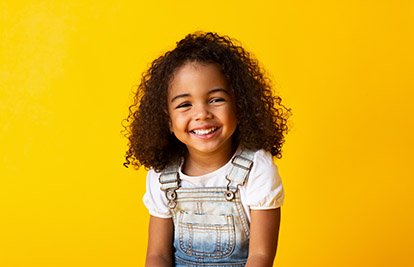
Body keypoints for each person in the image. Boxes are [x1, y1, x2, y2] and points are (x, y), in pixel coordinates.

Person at [124, 32, 290, 267]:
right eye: (184, 104)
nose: (202, 114)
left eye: (216, 100)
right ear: (168, 120)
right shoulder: (163, 175)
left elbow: (260, 256)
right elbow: (157, 255)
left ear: (240, 104)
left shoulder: (257, 170)